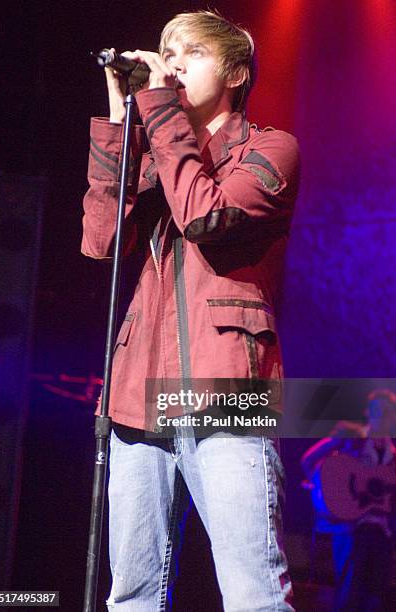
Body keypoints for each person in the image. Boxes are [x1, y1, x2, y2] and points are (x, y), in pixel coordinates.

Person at [82, 10, 300, 611]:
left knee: (252, 594)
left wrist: (159, 110)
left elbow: (205, 214)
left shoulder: (271, 149)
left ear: (235, 71)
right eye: (166, 52)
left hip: (229, 394)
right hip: (136, 397)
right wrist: (122, 122)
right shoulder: (155, 157)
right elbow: (100, 241)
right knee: (130, 598)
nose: (172, 63)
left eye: (191, 53)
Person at [301, 389, 396, 612]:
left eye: (388, 412)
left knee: (376, 596)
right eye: (377, 411)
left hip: (381, 531)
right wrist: (323, 492)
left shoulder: (393, 455)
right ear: (368, 413)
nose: (382, 417)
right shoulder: (350, 436)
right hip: (350, 528)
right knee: (349, 594)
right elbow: (310, 460)